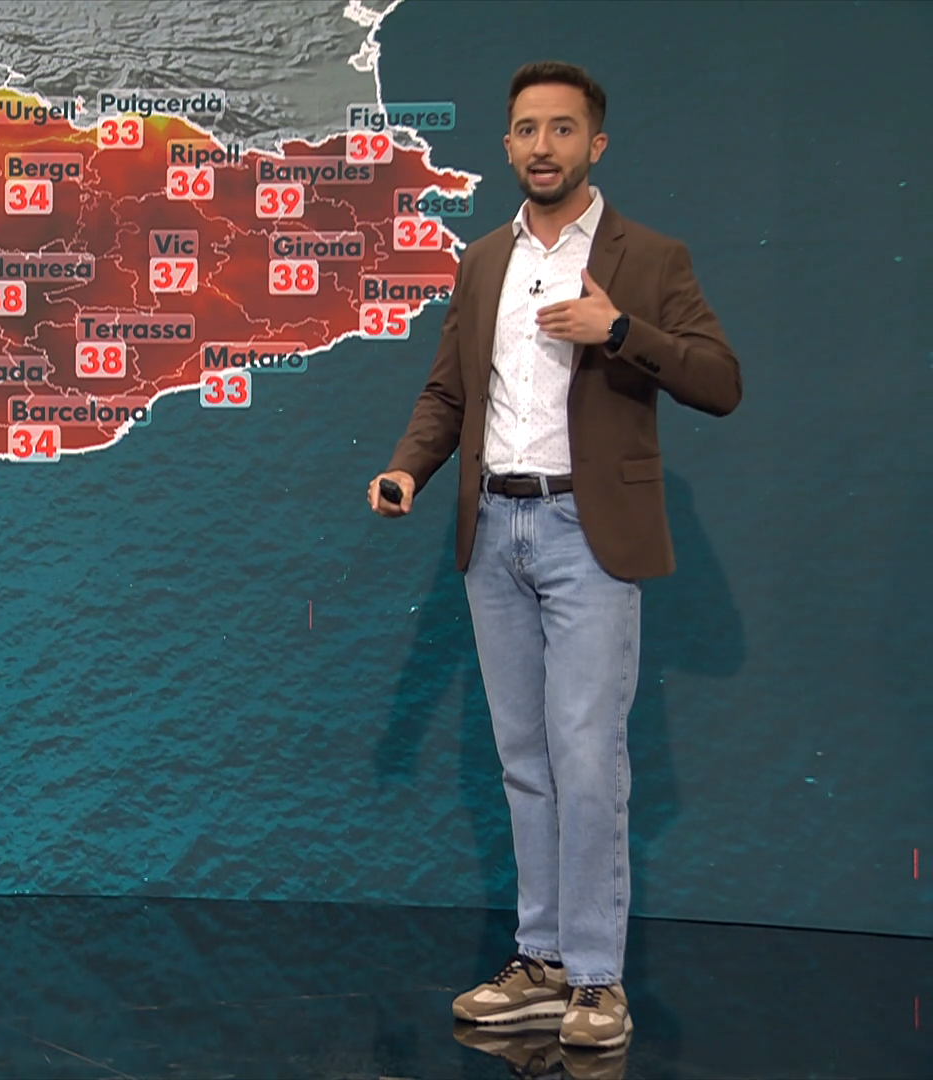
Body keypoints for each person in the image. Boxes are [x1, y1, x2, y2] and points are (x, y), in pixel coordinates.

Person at [369, 61, 741, 1051]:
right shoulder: (484, 259)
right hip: (494, 529)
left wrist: (619, 330)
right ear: (507, 145)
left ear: (595, 145)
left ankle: (598, 980)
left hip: (588, 531)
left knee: (586, 757)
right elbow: (450, 392)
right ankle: (540, 962)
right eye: (527, 129)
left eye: (563, 129)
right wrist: (408, 469)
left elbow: (720, 380)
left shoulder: (649, 257)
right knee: (524, 761)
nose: (544, 146)